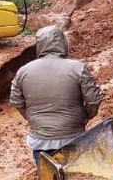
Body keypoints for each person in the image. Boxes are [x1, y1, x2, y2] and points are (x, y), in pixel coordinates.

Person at [10, 25, 102, 167]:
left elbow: (16, 101)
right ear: (63, 43)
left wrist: (32, 118)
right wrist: (85, 117)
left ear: (39, 45)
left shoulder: (23, 71)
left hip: (40, 139)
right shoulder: (78, 68)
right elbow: (94, 100)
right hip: (73, 137)